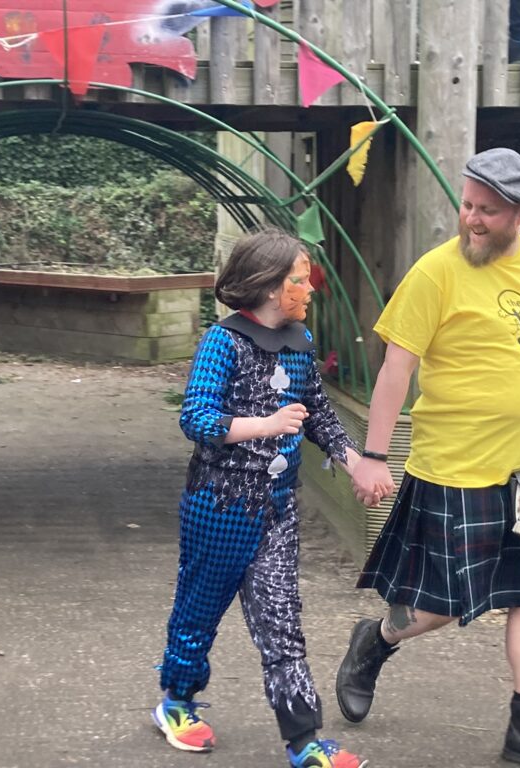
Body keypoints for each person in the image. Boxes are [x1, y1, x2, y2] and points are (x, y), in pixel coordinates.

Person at [335, 148, 520, 768]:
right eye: (468, 205)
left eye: (488, 211)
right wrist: (374, 455)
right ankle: (376, 640)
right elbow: (395, 370)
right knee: (440, 604)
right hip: (455, 467)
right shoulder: (436, 274)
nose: (472, 220)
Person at [154, 228, 367, 768]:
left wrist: (353, 460)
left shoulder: (300, 343)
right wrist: (266, 424)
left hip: (277, 508)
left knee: (281, 620)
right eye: (301, 280)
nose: (310, 289)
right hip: (219, 505)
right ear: (272, 287)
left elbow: (317, 411)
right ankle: (177, 702)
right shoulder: (222, 342)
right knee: (199, 610)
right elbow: (195, 418)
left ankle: (304, 742)